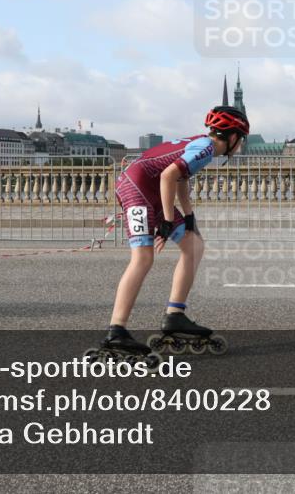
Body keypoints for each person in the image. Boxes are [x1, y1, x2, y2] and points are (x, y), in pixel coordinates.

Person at [100, 105, 250, 355]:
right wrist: (167, 222)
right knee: (143, 258)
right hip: (136, 188)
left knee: (194, 246)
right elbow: (168, 176)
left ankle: (175, 315)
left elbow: (180, 178)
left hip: (152, 189)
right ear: (233, 136)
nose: (241, 145)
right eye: (241, 140)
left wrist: (188, 216)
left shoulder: (203, 145)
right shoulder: (206, 148)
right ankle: (117, 331)